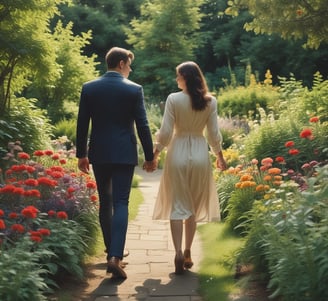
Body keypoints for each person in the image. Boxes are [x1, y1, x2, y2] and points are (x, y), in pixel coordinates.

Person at [76, 47, 156, 279]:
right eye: (129, 65)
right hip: (123, 153)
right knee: (121, 202)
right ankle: (115, 256)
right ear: (121, 63)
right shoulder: (134, 90)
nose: (130, 69)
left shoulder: (89, 88)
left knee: (105, 202)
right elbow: (143, 125)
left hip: (99, 152)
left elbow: (82, 124)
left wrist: (82, 153)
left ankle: (111, 251)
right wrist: (149, 157)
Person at [152, 61, 227, 275]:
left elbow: (166, 132)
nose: (176, 80)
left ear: (185, 77)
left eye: (178, 76)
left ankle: (176, 252)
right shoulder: (210, 101)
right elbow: (213, 135)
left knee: (178, 204)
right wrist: (220, 157)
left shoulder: (173, 99)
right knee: (192, 206)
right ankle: (187, 251)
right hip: (201, 155)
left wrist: (156, 154)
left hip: (178, 153)